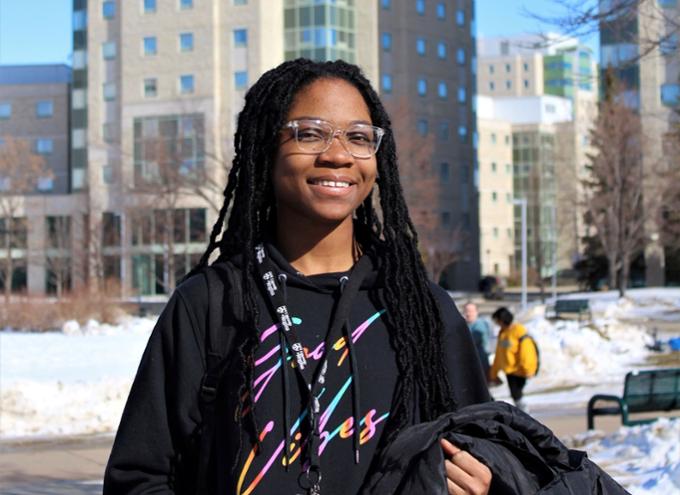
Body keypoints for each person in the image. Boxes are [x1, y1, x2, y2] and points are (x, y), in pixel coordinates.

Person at [103, 59, 491, 495]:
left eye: (359, 138)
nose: (338, 154)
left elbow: (481, 452)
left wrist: (480, 483)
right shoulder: (211, 303)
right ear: (266, 149)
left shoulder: (422, 311)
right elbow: (137, 479)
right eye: (310, 133)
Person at [489, 307, 534, 411]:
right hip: (510, 371)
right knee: (515, 395)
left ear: (502, 319)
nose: (496, 323)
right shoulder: (503, 333)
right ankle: (524, 414)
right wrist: (493, 373)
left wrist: (528, 369)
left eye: (496, 320)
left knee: (517, 395)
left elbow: (526, 351)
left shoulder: (518, 330)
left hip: (520, 370)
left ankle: (526, 415)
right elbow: (499, 354)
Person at [462, 302, 491, 378]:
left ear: (477, 312)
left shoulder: (480, 324)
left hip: (479, 363)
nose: (468, 313)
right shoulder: (465, 324)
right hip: (468, 363)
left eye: (471, 311)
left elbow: (471, 342)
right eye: (466, 311)